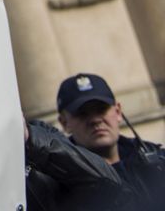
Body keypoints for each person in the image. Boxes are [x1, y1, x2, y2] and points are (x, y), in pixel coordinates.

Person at [25, 73, 165, 211]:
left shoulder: (157, 161)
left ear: (118, 112)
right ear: (64, 122)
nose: (95, 120)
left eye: (101, 109)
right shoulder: (53, 182)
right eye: (82, 113)